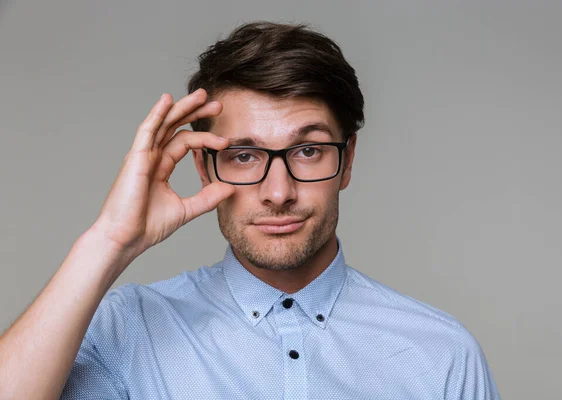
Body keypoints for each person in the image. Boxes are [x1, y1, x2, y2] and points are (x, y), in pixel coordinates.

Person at [0, 21, 500, 399]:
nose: (277, 192)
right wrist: (108, 241)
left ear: (346, 162)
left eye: (308, 151)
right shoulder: (127, 330)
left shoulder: (442, 353)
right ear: (204, 167)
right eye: (244, 156)